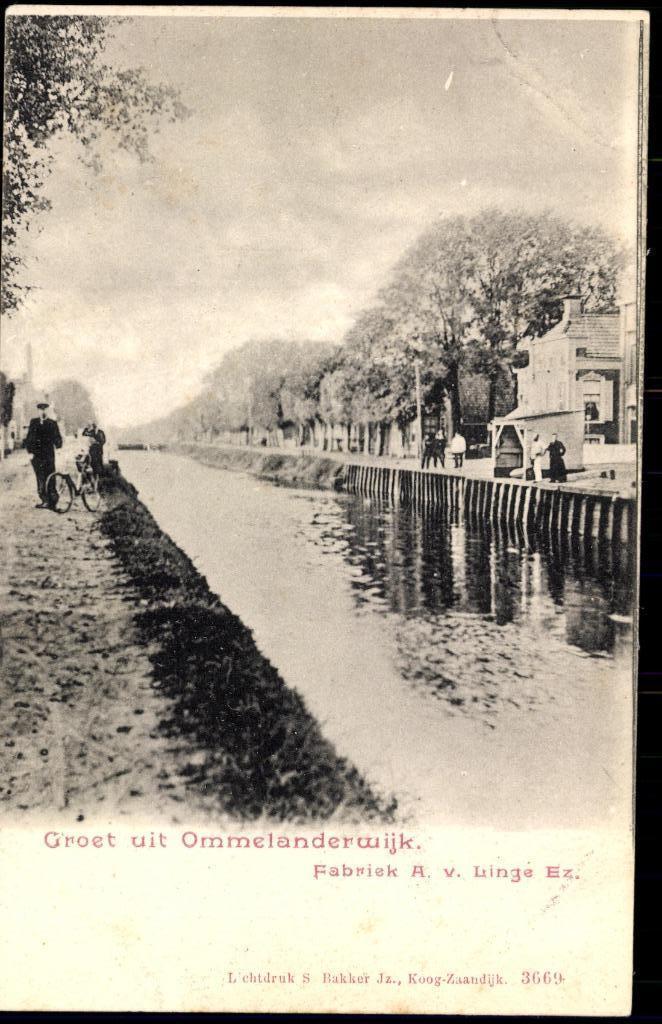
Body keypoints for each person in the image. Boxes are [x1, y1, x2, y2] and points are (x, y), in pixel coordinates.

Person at [24, 401, 63, 508]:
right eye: (41, 409)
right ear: (38, 411)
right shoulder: (34, 422)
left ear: (47, 410)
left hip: (49, 455)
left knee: (50, 477)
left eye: (45, 409)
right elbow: (29, 439)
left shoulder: (52, 423)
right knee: (40, 477)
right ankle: (44, 499)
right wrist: (30, 452)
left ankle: (53, 500)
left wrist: (59, 445)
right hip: (36, 456)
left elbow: (58, 438)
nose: (43, 411)